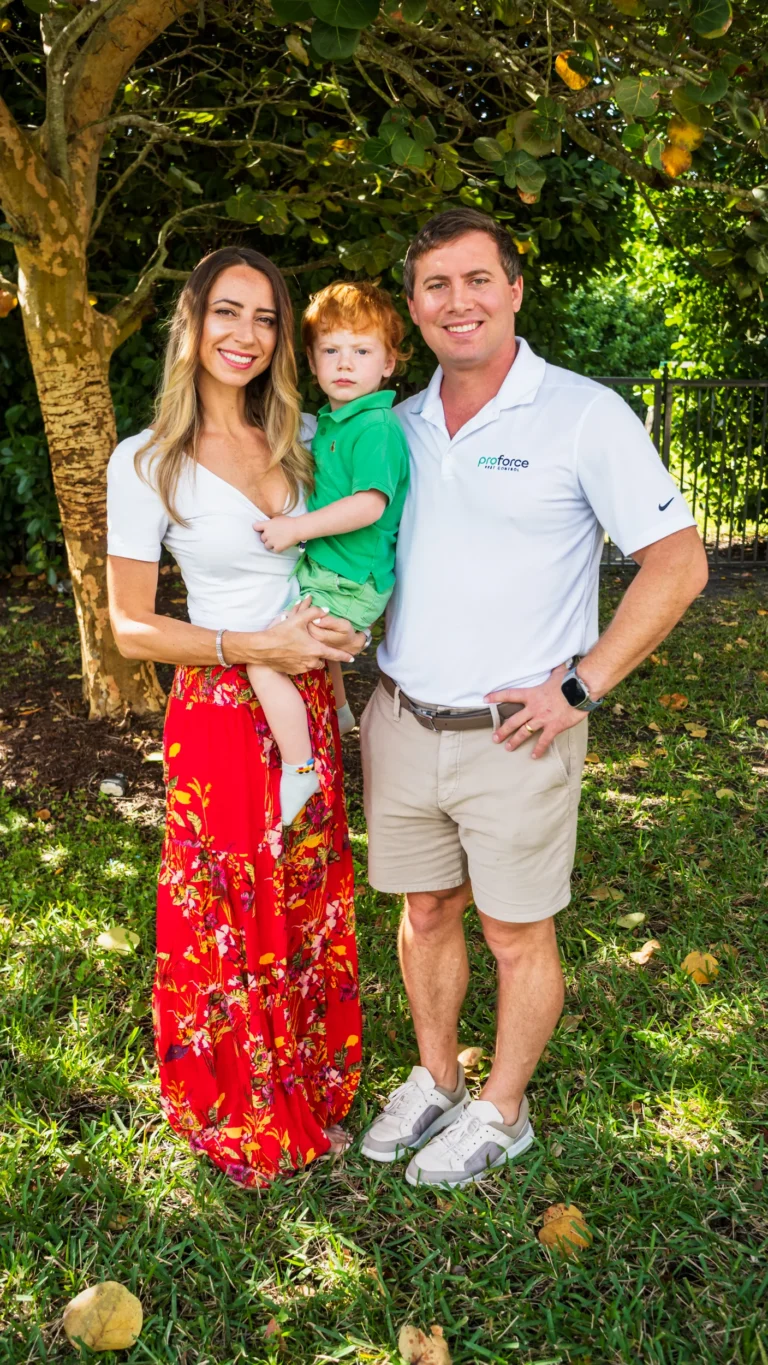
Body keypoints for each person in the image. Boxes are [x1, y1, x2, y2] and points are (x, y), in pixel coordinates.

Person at [360, 207, 709, 1188]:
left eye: (478, 280)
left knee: (516, 933)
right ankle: (434, 1079)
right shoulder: (395, 424)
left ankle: (502, 1108)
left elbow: (677, 565)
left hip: (517, 733)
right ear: (416, 308)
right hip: (400, 718)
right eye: (436, 286)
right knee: (425, 911)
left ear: (515, 289)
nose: (458, 302)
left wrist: (580, 684)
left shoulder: (583, 414)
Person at [106, 246, 365, 1187]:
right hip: (220, 706)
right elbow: (131, 627)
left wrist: (334, 642)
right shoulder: (144, 462)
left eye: (264, 318)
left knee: (301, 889)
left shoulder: (303, 441)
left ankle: (310, 1072)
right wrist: (251, 647)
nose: (246, 335)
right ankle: (244, 1094)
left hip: (306, 694)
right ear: (192, 322)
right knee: (230, 903)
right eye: (228, 311)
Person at [247, 282, 411, 825]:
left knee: (265, 654)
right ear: (312, 360)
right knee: (302, 636)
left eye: (362, 351)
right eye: (331, 351)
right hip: (333, 570)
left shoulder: (377, 426)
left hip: (351, 579)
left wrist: (296, 528)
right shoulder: (334, 422)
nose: (345, 364)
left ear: (389, 364)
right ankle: (338, 713)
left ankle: (300, 767)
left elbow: (368, 504)